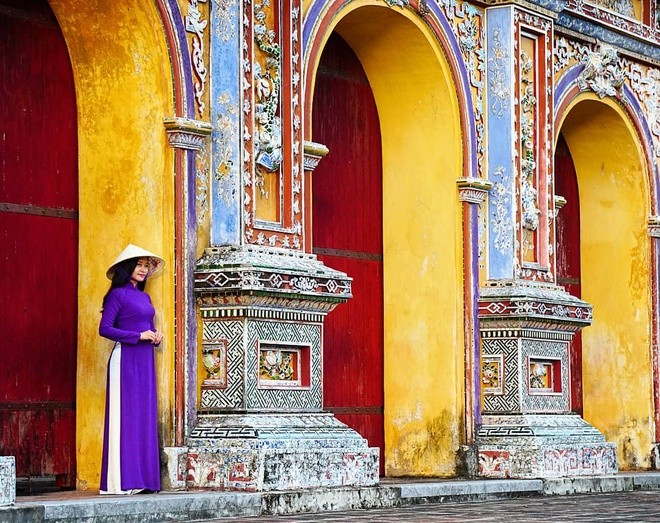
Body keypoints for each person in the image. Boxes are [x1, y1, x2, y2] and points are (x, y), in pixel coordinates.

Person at [98, 244, 164, 495]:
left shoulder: (144, 297)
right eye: (139, 265)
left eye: (147, 266)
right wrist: (138, 335)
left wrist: (156, 335)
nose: (144, 269)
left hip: (145, 359)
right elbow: (105, 329)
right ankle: (121, 481)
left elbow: (148, 326)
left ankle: (143, 480)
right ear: (128, 268)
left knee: (143, 415)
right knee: (126, 416)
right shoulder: (118, 295)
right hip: (125, 359)